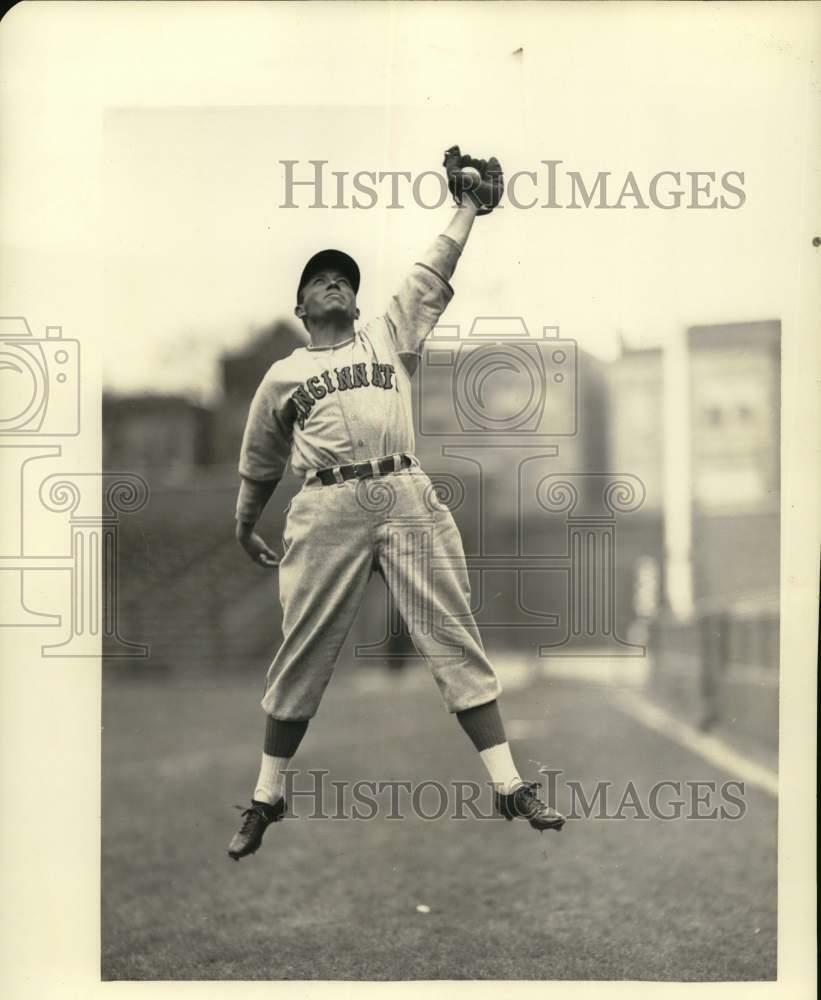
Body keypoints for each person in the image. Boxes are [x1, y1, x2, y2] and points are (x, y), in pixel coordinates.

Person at [228, 147, 565, 860]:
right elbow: (260, 460)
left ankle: (507, 783)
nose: (333, 283)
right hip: (324, 506)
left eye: (343, 279)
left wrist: (469, 206)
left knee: (451, 634)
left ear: (355, 299)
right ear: (300, 307)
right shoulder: (283, 374)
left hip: (405, 491)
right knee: (303, 652)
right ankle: (265, 796)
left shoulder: (386, 334)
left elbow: (431, 269)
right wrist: (241, 521)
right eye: (320, 279)